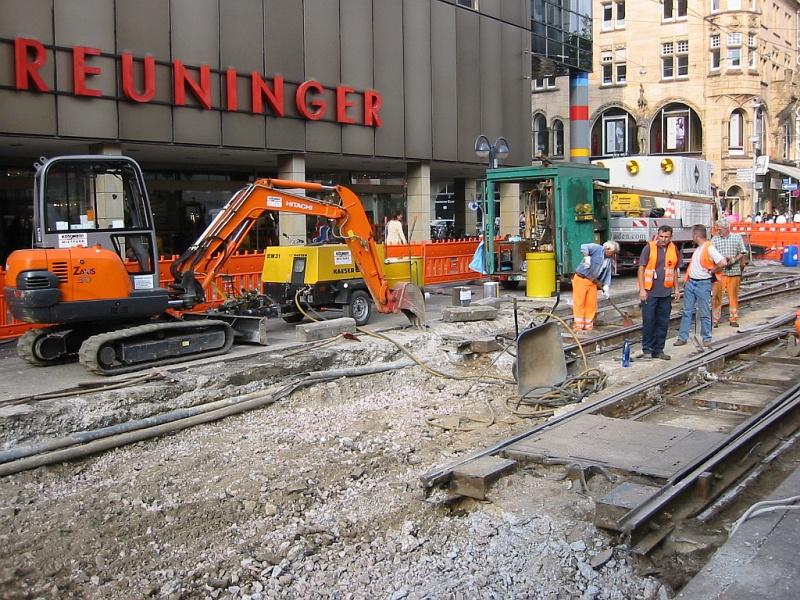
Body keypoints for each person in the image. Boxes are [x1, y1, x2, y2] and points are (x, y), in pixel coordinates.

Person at [674, 224, 729, 348]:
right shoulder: (699, 248)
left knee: (704, 311)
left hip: (702, 284)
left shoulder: (708, 248)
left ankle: (706, 337)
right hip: (691, 283)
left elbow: (723, 262)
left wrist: (714, 270)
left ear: (696, 235)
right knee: (687, 311)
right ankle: (683, 337)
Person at [636, 225, 680, 361]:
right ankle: (647, 350)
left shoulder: (674, 249)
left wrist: (676, 289)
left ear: (671, 237)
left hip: (665, 293)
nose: (663, 239)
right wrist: (642, 289)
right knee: (649, 321)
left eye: (666, 237)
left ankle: (659, 349)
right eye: (661, 236)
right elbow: (641, 269)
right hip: (650, 292)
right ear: (658, 235)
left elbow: (674, 271)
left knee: (663, 322)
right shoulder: (649, 248)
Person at [571, 240, 619, 334]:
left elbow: (607, 274)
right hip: (581, 279)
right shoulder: (597, 248)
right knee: (580, 303)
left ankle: (588, 327)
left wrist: (606, 286)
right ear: (607, 249)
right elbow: (584, 246)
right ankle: (578, 327)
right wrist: (586, 257)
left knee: (591, 305)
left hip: (593, 282)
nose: (613, 255)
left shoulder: (608, 260)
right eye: (612, 252)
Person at [711, 219, 747, 328]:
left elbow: (742, 252)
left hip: (734, 272)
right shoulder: (715, 239)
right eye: (717, 229)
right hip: (720, 273)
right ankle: (715, 320)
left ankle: (733, 318)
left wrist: (733, 260)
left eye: (720, 229)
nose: (718, 231)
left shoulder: (737, 237)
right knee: (717, 297)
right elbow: (711, 254)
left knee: (733, 297)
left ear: (726, 228)